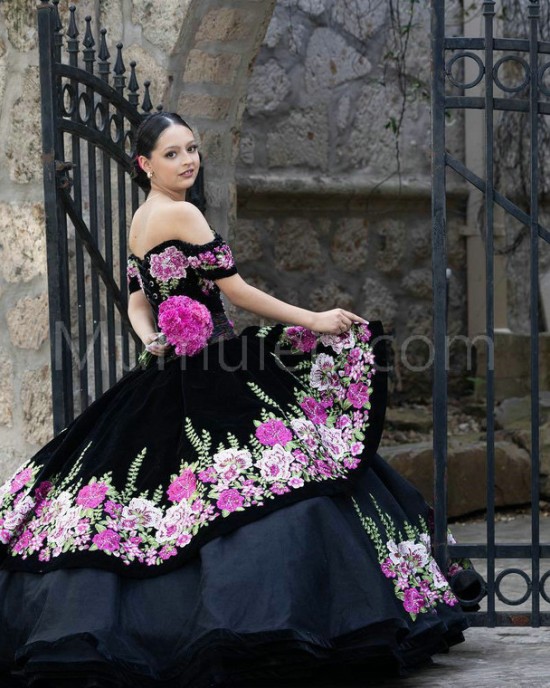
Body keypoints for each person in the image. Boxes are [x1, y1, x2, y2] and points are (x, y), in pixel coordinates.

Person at [0, 112, 481, 688]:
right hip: (218, 373)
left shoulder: (139, 219)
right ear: (144, 164)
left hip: (173, 370)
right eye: (173, 153)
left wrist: (155, 342)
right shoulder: (182, 212)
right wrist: (316, 318)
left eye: (193, 149)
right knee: (284, 481)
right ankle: (286, 622)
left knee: (169, 497)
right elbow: (237, 291)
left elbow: (135, 302)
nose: (188, 161)